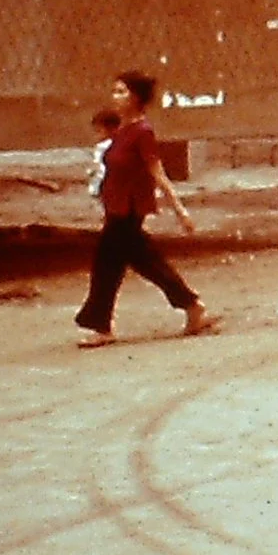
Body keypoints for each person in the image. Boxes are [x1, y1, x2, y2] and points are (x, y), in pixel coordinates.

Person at [75, 71, 218, 348]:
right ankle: (191, 306)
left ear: (136, 98)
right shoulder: (123, 130)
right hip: (117, 207)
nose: (115, 97)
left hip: (129, 210)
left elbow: (158, 173)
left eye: (121, 92)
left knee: (109, 264)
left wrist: (180, 211)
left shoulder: (142, 132)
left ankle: (101, 325)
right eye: (114, 91)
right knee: (141, 262)